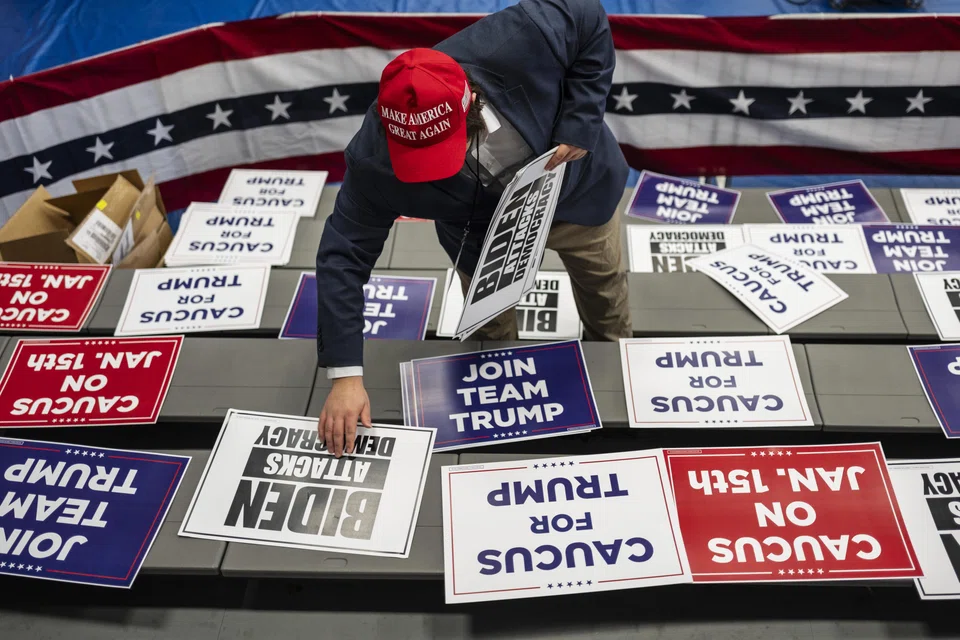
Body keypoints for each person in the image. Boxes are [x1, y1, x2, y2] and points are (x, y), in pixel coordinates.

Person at [315, 0, 631, 456]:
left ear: (472, 102)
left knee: (604, 289)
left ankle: (617, 379)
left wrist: (580, 122)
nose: (434, 170)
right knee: (491, 330)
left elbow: (588, 15)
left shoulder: (521, 36)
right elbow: (342, 256)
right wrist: (345, 376)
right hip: (480, 238)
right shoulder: (372, 163)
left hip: (577, 197)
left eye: (441, 150)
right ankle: (511, 414)